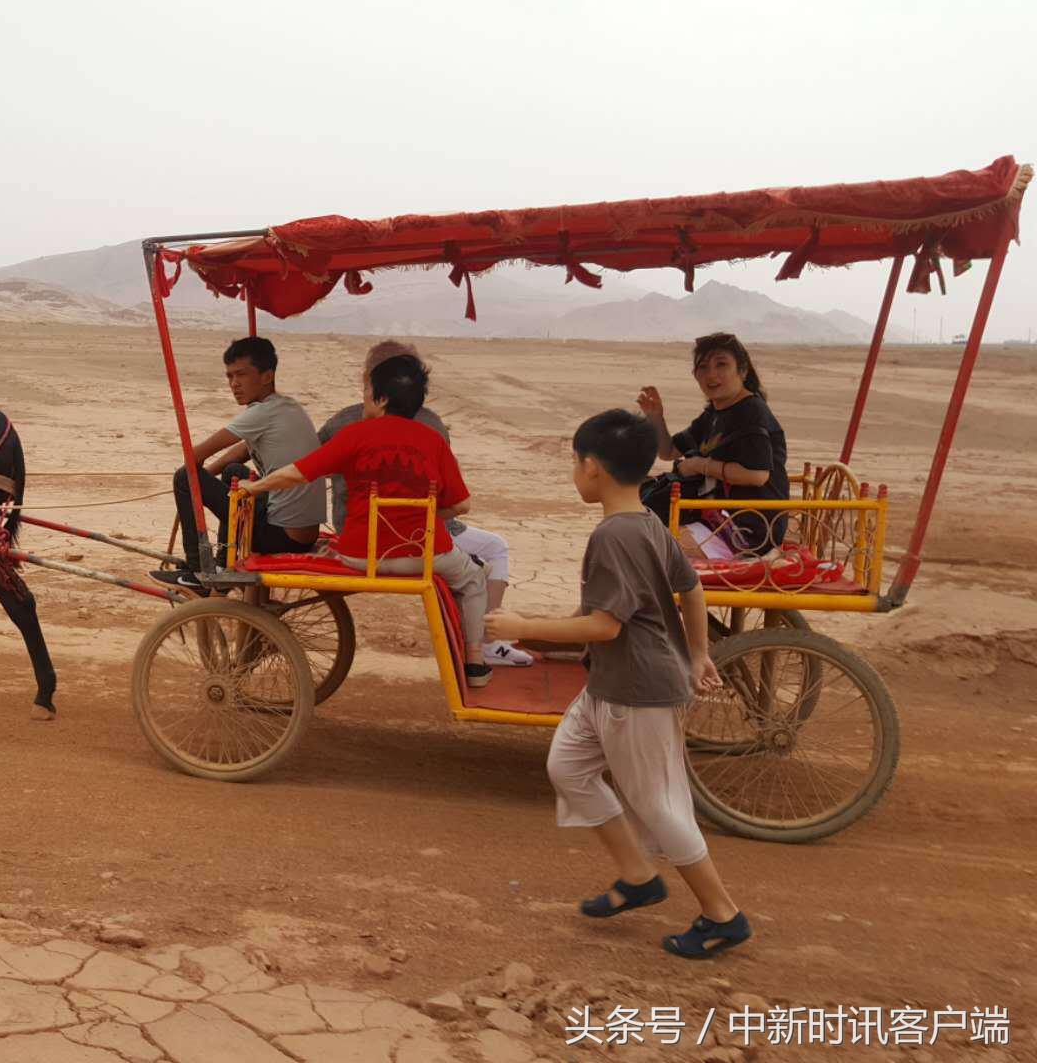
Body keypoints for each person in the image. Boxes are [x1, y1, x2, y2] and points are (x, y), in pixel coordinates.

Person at [484, 409, 751, 960]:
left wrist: (522, 627)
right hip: (612, 683)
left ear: (592, 467)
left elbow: (605, 625)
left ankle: (723, 914)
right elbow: (691, 590)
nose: (574, 473)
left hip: (638, 690)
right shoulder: (650, 522)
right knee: (567, 767)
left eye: (574, 464)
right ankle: (637, 876)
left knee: (658, 805)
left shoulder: (614, 535)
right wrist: (698, 652)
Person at [242, 354, 495, 688]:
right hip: (423, 554)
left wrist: (254, 486)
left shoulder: (356, 434)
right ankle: (475, 662)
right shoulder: (433, 440)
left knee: (332, 545)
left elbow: (298, 473)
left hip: (361, 554)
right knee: (474, 578)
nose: (362, 400)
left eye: (366, 393)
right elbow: (462, 504)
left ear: (382, 398)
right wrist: (427, 513)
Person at [319, 341, 532, 667]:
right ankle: (485, 645)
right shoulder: (430, 427)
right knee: (493, 549)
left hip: (353, 529)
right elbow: (452, 500)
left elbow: (311, 467)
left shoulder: (340, 423)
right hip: (412, 536)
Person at [155, 336, 324, 589]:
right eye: (230, 377)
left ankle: (197, 570)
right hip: (302, 533)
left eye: (241, 375)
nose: (234, 384)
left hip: (282, 536)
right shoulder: (285, 407)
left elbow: (193, 456)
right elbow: (239, 453)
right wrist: (207, 479)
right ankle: (223, 562)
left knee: (183, 477)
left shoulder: (262, 413)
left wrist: (193, 485)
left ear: (267, 376)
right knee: (233, 471)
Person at [637, 332, 789, 556]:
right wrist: (656, 417)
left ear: (743, 370)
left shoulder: (751, 412)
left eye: (721, 364)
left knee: (650, 545)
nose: (711, 374)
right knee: (638, 524)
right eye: (703, 367)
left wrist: (700, 465)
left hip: (748, 530)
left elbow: (757, 475)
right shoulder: (714, 413)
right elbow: (668, 451)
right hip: (716, 517)